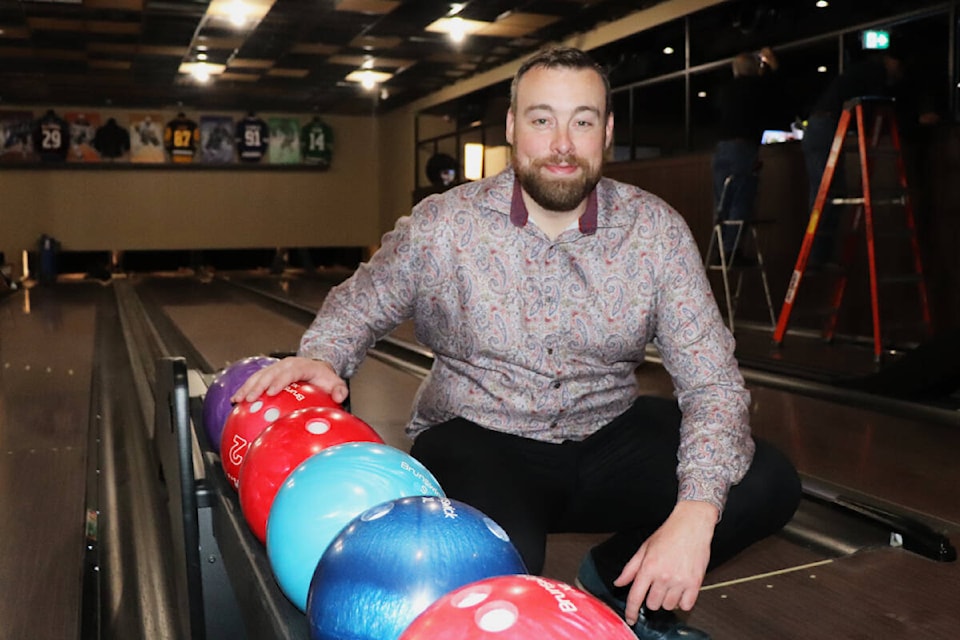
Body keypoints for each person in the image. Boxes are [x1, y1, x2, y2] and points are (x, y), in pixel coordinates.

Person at [234, 47, 801, 640]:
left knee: (765, 481)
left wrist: (695, 515)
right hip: (480, 437)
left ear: (606, 132)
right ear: (511, 128)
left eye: (582, 121)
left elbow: (713, 384)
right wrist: (323, 356)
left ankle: (619, 582)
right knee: (499, 581)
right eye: (541, 119)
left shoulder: (653, 231)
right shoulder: (446, 224)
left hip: (607, 433)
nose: (562, 143)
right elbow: (364, 299)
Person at [802, 47, 939, 267]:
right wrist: (913, 121)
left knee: (829, 192)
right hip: (825, 126)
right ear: (892, 61)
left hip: (823, 126)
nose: (898, 74)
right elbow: (879, 107)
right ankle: (815, 256)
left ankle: (818, 256)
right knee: (826, 193)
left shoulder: (865, 71)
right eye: (899, 68)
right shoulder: (875, 73)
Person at [711, 47, 783, 265]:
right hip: (743, 148)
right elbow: (777, 89)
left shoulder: (726, 90)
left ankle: (720, 250)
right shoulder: (757, 87)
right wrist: (772, 65)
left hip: (721, 148)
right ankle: (732, 252)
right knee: (741, 200)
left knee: (722, 202)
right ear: (755, 69)